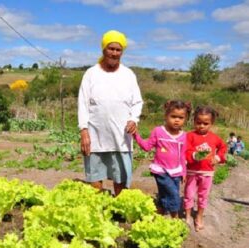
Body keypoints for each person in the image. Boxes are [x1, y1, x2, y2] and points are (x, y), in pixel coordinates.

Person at [78, 30, 143, 196]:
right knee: (94, 179)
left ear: (122, 52)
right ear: (103, 50)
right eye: (111, 48)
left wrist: (133, 120)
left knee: (120, 179)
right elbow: (83, 104)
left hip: (121, 137)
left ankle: (118, 214)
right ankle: (97, 213)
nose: (114, 53)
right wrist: (84, 130)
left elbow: (137, 102)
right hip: (95, 136)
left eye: (118, 50)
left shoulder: (128, 75)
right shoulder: (91, 74)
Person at [133, 100, 191, 218]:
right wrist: (136, 135)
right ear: (166, 116)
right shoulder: (158, 131)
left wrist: (184, 172)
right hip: (161, 170)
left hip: (176, 171)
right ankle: (175, 217)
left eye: (181, 117)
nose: (177, 120)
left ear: (185, 119)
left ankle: (160, 209)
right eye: (173, 116)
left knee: (165, 193)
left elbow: (182, 155)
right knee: (174, 195)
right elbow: (147, 147)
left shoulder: (184, 136)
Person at [184, 106, 227, 232]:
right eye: (198, 122)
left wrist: (218, 158)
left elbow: (223, 148)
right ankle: (187, 216)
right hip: (192, 171)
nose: (201, 126)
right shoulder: (189, 136)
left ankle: (199, 217)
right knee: (189, 194)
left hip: (207, 172)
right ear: (194, 121)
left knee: (203, 196)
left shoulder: (215, 138)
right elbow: (186, 150)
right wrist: (193, 156)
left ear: (211, 123)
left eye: (205, 123)